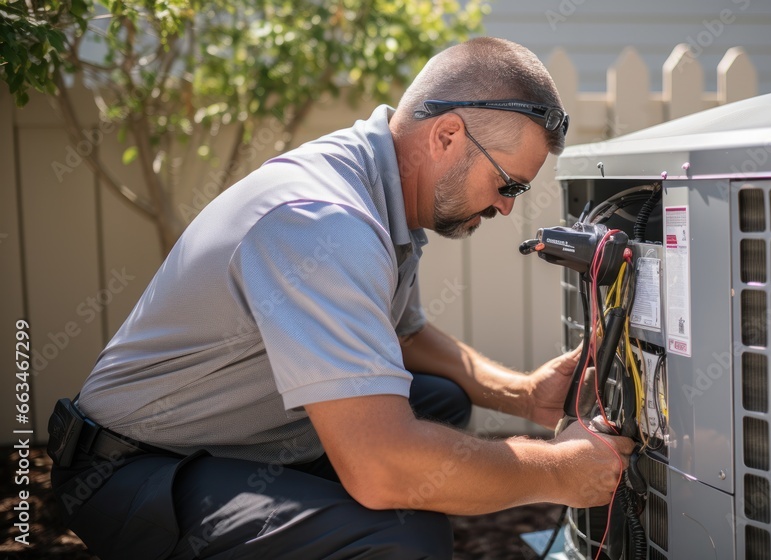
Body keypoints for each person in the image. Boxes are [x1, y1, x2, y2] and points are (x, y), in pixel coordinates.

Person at [47, 37, 634, 560]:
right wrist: (557, 471)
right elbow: (382, 467)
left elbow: (403, 338)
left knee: (438, 401)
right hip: (131, 473)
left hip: (223, 443)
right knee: (400, 540)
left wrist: (526, 395)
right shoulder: (324, 221)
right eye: (508, 184)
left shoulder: (380, 196)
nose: (508, 206)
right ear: (448, 135)